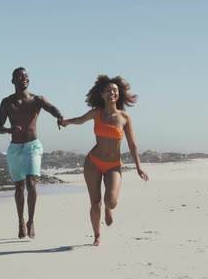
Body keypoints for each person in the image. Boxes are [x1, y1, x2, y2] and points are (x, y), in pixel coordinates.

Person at [59, 75, 149, 246]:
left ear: (118, 94)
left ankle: (108, 209)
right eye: (108, 91)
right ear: (101, 94)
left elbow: (132, 144)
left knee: (111, 201)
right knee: (95, 202)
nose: (112, 93)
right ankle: (97, 235)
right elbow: (80, 120)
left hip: (113, 165)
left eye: (114, 91)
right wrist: (66, 122)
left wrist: (139, 167)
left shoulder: (124, 117)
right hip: (93, 162)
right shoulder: (96, 113)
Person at [0, 67, 64, 239]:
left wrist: (60, 117)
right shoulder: (7, 102)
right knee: (19, 186)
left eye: (26, 76)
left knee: (31, 183)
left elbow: (52, 108)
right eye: (19, 76)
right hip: (15, 148)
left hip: (33, 146)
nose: (23, 78)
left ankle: (31, 221)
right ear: (13, 81)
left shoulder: (36, 100)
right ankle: (21, 221)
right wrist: (9, 130)